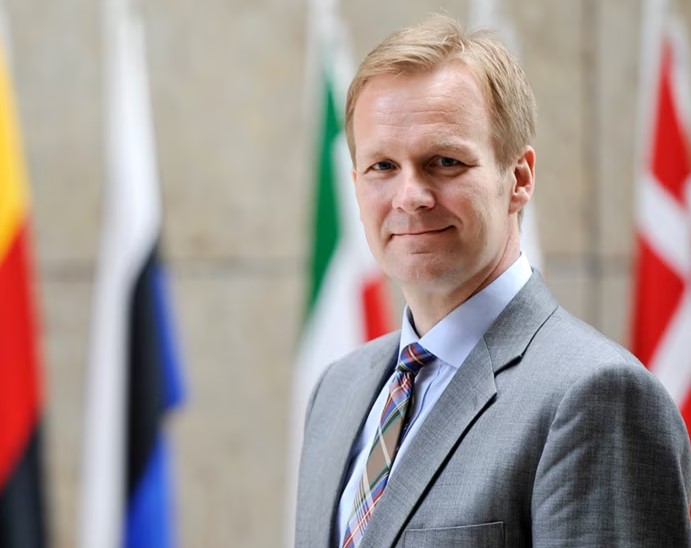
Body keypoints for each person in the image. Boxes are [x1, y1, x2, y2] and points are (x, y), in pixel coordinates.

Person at [295, 14, 691, 548]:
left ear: (519, 178)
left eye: (444, 161)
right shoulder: (337, 390)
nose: (409, 196)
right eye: (382, 167)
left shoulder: (596, 396)